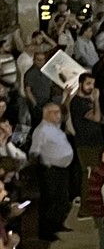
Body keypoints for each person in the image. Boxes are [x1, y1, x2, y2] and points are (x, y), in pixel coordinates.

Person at [29, 101, 74, 240]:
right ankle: (46, 231)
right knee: (50, 200)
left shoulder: (56, 128)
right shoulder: (41, 130)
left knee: (61, 199)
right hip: (50, 170)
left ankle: (57, 224)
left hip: (62, 169)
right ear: (46, 114)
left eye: (58, 112)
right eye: (55, 112)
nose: (58, 115)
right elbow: (34, 151)